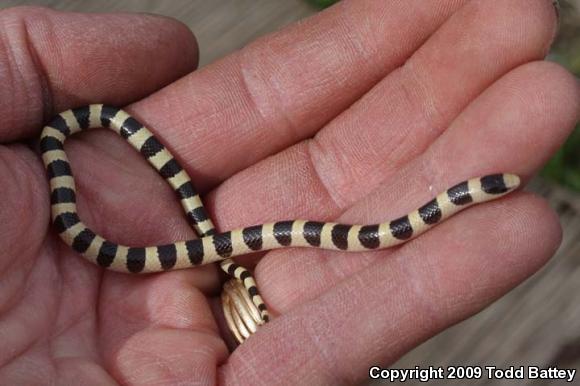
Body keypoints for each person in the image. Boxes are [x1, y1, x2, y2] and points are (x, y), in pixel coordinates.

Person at [0, 1, 578, 384]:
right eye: (484, 187)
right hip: (89, 178)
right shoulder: (63, 176)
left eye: (482, 189)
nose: (490, 189)